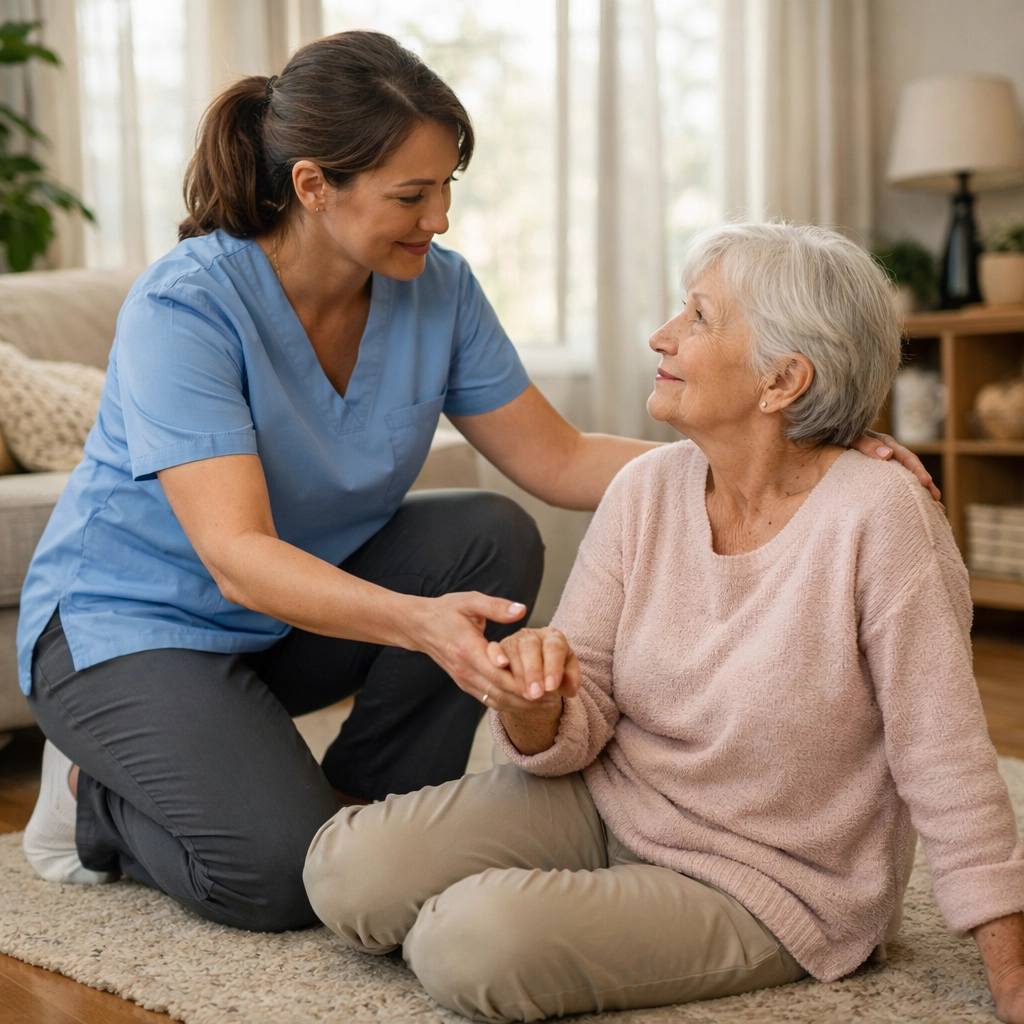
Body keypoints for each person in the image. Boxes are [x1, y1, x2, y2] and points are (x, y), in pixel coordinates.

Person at [20, 32, 932, 933]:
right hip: (124, 630)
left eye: (448, 185)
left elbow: (558, 459)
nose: (441, 217)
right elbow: (237, 557)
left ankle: (363, 805)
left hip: (287, 625)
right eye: (411, 195)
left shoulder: (438, 289)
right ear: (313, 185)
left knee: (489, 534)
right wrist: (419, 622)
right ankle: (91, 802)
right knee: (278, 882)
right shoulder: (186, 306)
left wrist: (798, 453)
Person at [303, 222, 1024, 1024]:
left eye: (700, 317)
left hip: (770, 878)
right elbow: (581, 713)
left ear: (783, 380)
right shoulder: (646, 488)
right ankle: (595, 899)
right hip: (614, 799)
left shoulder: (881, 517)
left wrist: (1013, 975)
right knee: (345, 870)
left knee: (465, 942)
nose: (662, 335)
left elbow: (945, 758)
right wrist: (534, 702)